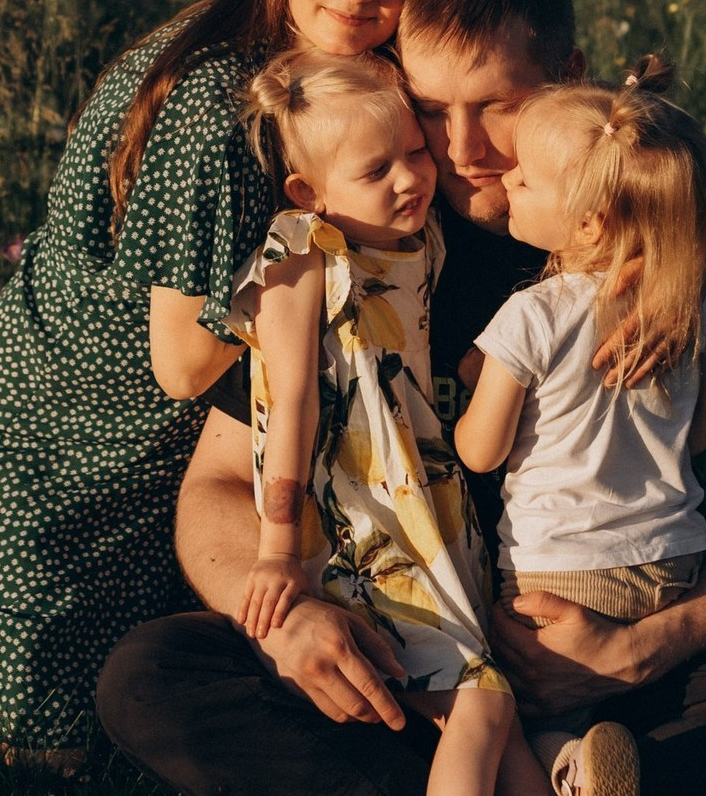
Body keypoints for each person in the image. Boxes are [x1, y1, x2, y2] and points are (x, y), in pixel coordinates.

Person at [97, 0, 706, 795]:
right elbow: (218, 485)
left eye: (496, 105)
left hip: (612, 641)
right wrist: (289, 619)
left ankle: (563, 767)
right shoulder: (364, 227)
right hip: (396, 643)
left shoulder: (668, 230)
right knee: (153, 678)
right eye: (430, 110)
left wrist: (643, 650)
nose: (461, 150)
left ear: (569, 76)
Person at [0, 0, 452, 764]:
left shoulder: (317, 71)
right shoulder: (221, 109)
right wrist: (309, 272)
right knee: (61, 727)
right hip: (77, 434)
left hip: (175, 441)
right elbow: (181, 365)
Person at [227, 48, 549, 796]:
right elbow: (291, 399)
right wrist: (277, 548)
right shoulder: (302, 250)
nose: (410, 178)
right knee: (482, 699)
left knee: (492, 708)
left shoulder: (420, 239)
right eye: (377, 171)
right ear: (309, 191)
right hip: (355, 519)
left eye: (413, 152)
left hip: (426, 499)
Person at [454, 59, 706, 796]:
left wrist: (473, 401)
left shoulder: (532, 313)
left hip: (560, 565)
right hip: (672, 559)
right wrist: (664, 447)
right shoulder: (691, 295)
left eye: (523, 179)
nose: (506, 181)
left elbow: (481, 452)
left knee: (513, 708)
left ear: (588, 222)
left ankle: (572, 764)